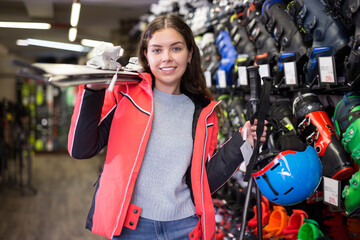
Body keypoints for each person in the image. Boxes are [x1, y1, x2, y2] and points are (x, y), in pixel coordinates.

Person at [68, 13, 267, 240]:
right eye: (157, 50)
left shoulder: (203, 111)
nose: (166, 58)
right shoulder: (127, 98)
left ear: (190, 54)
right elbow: (81, 148)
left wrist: (242, 141)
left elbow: (202, 181)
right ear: (146, 55)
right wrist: (93, 89)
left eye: (176, 48)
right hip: (132, 230)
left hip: (185, 228)